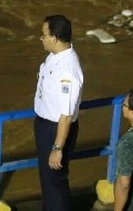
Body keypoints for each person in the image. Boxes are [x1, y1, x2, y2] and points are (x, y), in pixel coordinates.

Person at [33, 14, 84, 211]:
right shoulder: (54, 56)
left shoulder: (68, 71)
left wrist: (57, 147)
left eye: (43, 35)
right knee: (48, 180)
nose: (41, 38)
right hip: (45, 124)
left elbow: (66, 114)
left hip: (56, 130)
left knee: (55, 180)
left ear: (54, 37)